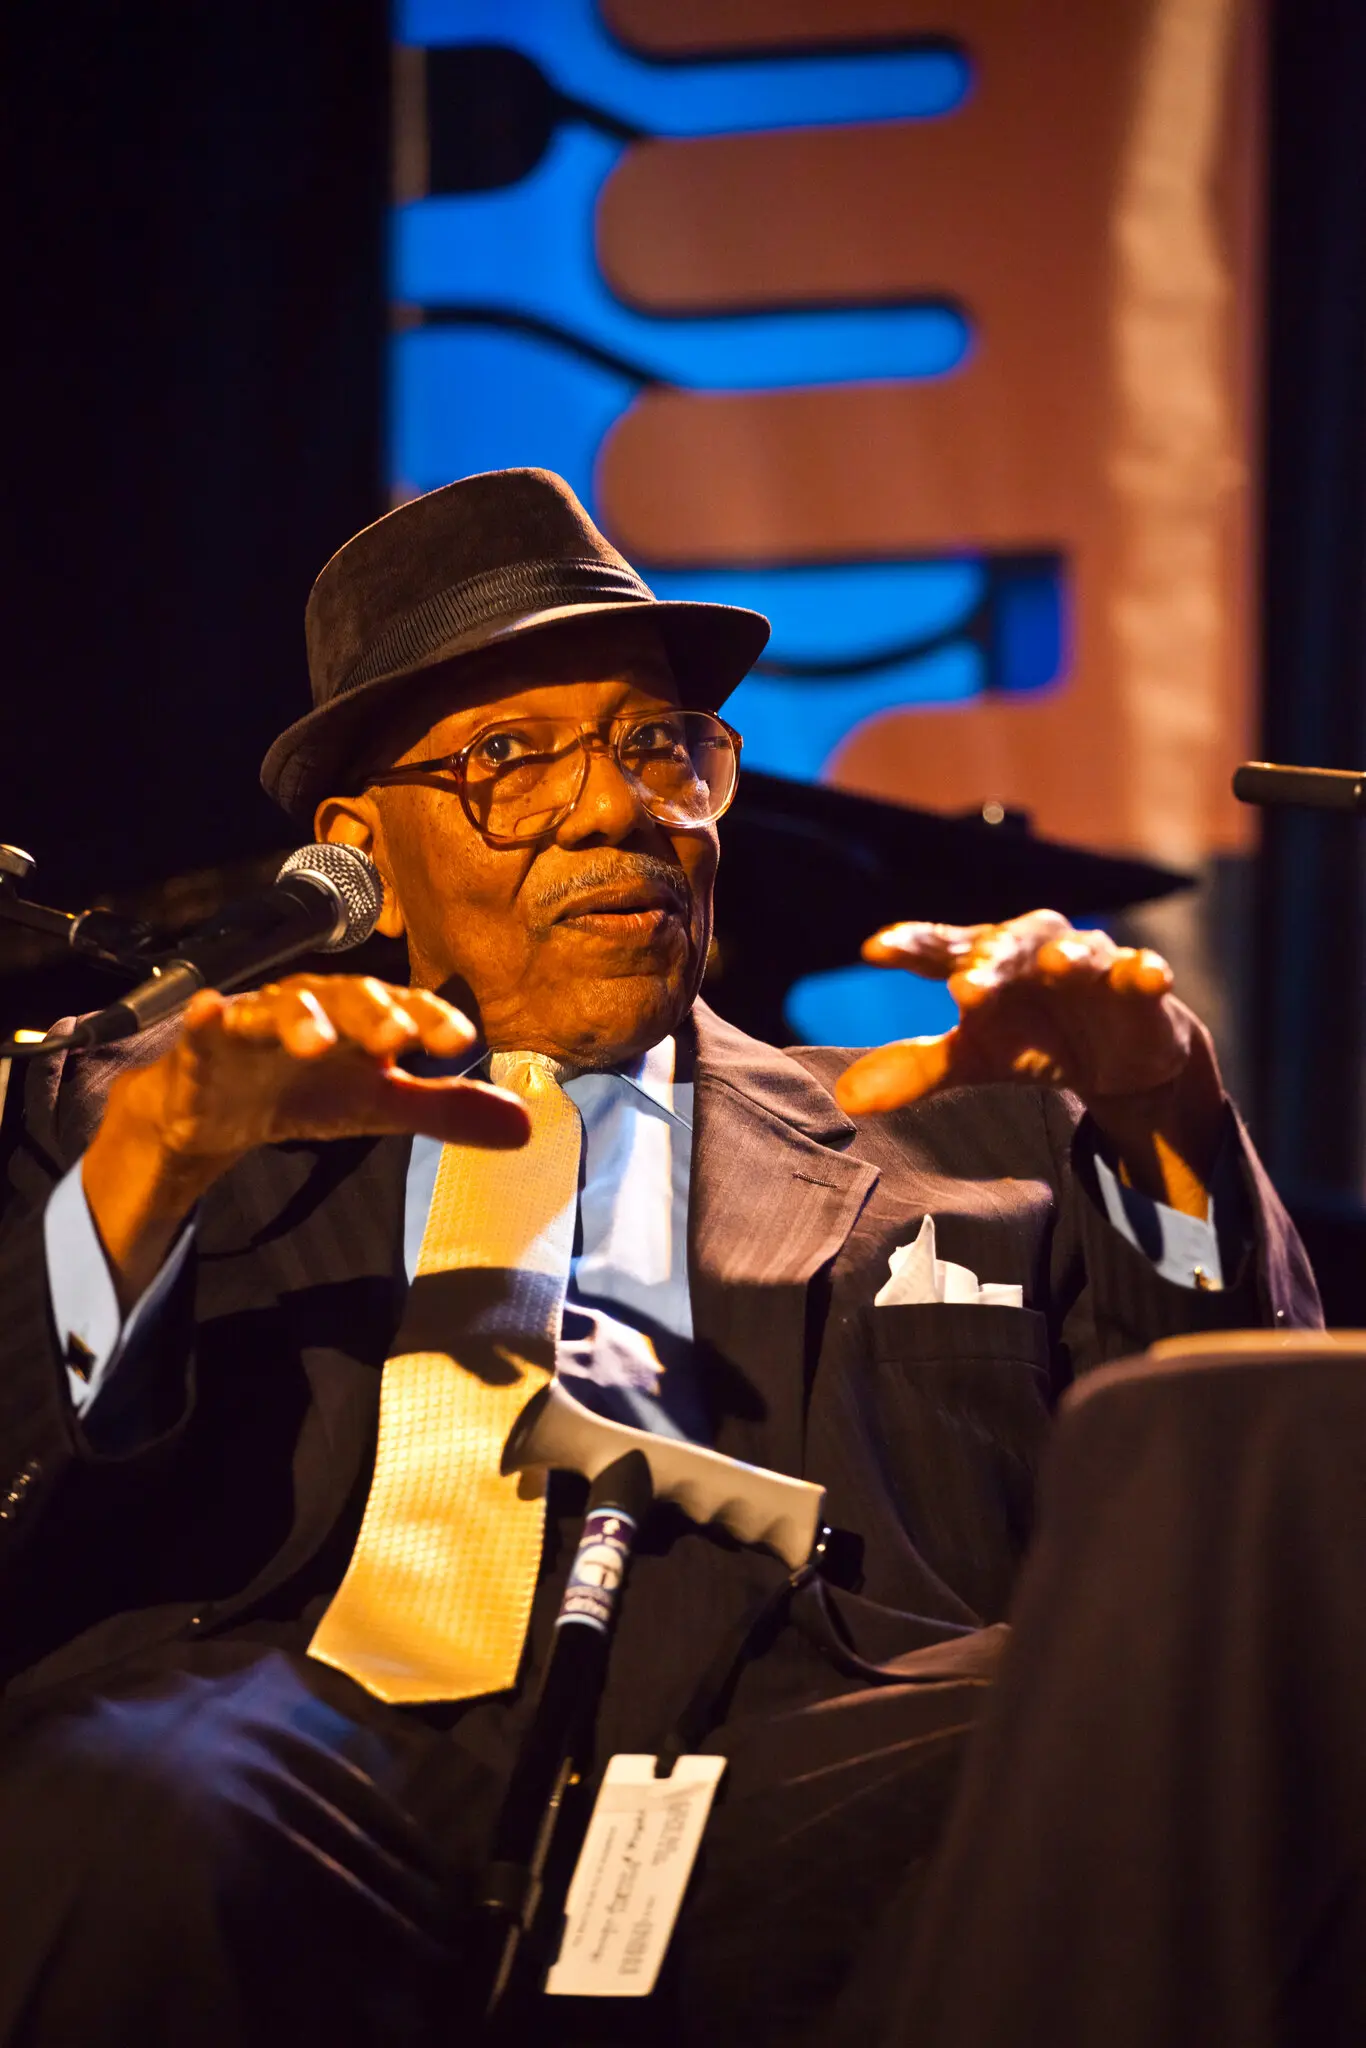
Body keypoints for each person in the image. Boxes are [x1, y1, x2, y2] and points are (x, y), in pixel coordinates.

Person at [0, 470, 1322, 2047]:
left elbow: (1235, 1503)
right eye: (508, 759)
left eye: (658, 747)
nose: (617, 807)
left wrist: (1165, 1113)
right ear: (359, 852)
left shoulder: (981, 1145)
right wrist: (155, 1156)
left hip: (803, 1751)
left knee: (1107, 1723)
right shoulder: (180, 1131)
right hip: (292, 1741)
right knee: (112, 1800)